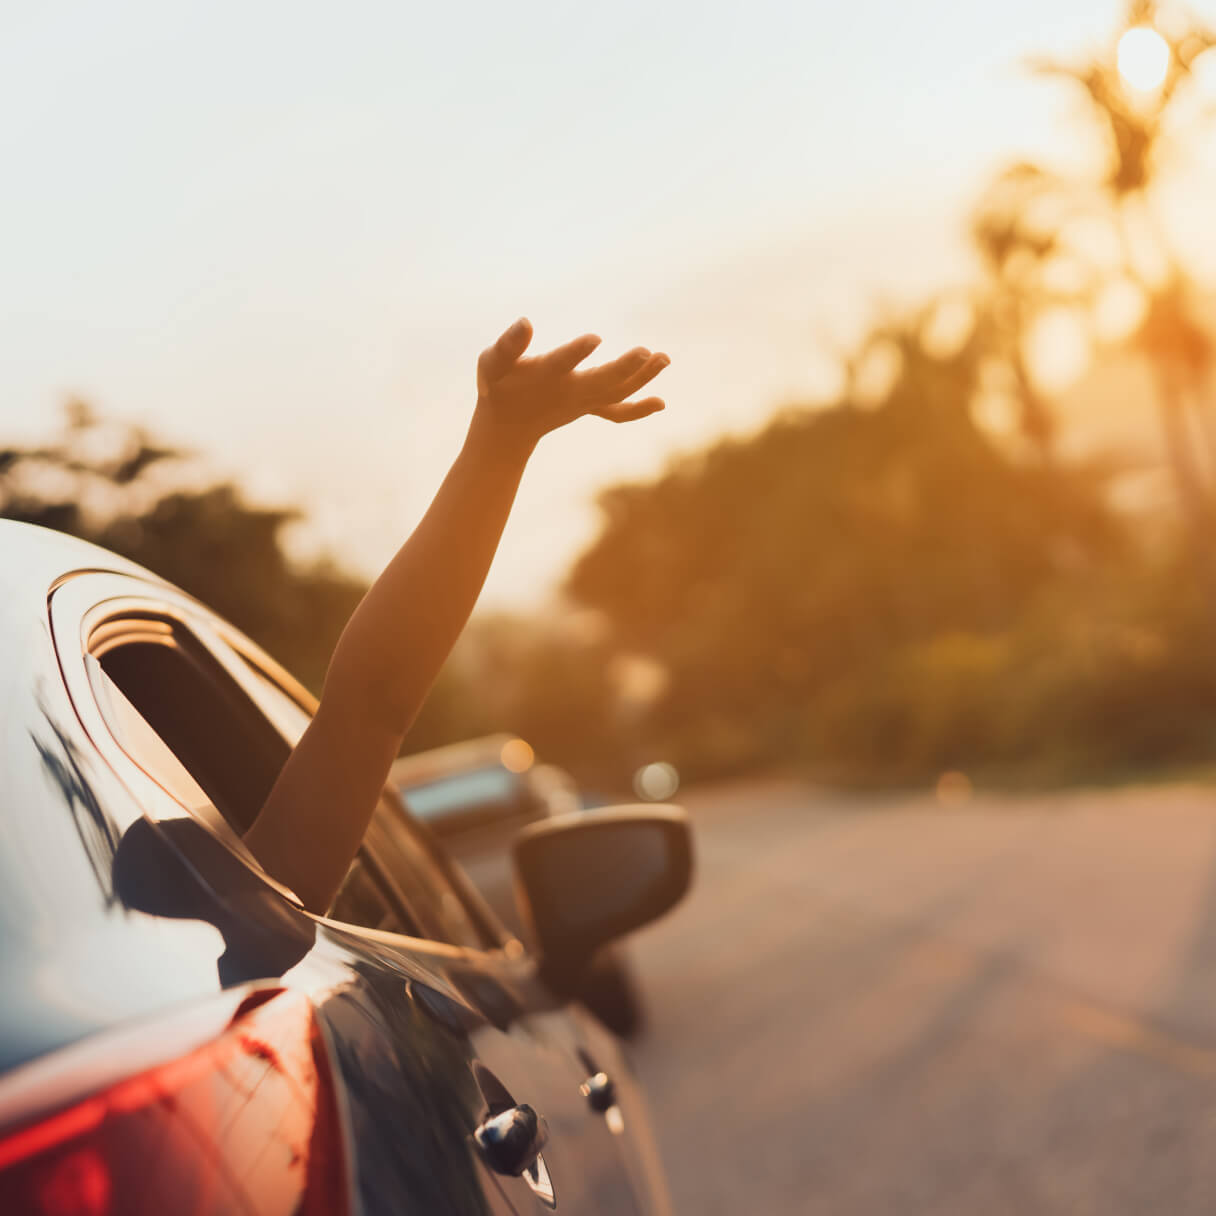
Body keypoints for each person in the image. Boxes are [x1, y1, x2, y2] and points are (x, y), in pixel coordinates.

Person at [241, 318, 670, 912]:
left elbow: (370, 708)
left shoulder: (243, 923)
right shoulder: (242, 928)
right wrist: (502, 442)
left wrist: (504, 443)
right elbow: (369, 709)